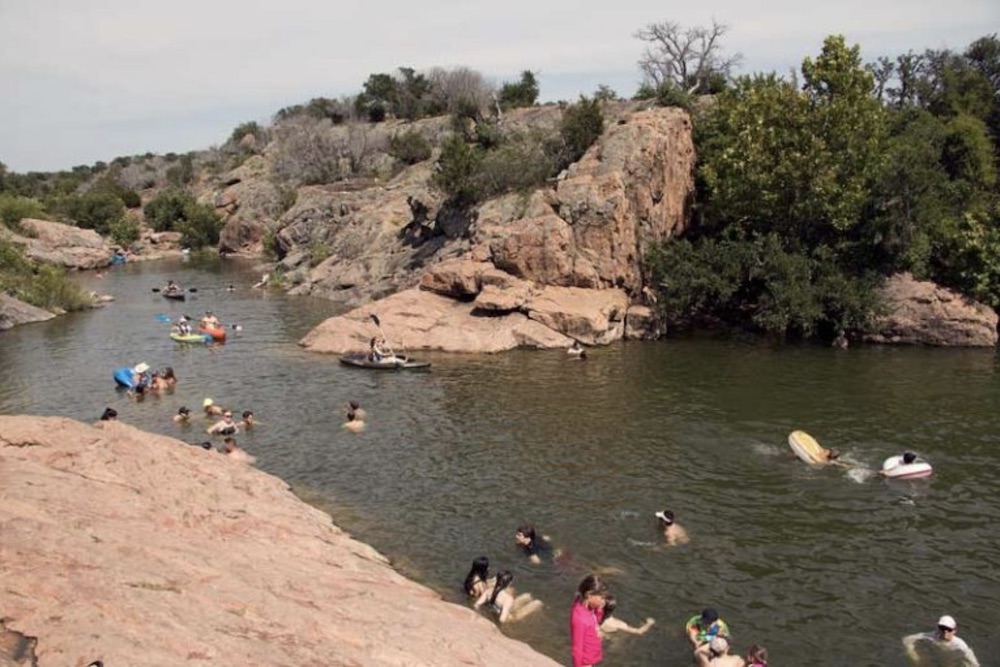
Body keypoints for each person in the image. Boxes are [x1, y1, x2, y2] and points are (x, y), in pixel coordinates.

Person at [902, 614, 979, 666]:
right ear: (937, 628)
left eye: (948, 629)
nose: (945, 632)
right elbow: (907, 639)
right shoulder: (932, 636)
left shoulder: (959, 645)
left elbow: (974, 663)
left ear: (954, 630)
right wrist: (913, 655)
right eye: (942, 628)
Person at [474, 570, 541, 624]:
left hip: (501, 608)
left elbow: (476, 605)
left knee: (527, 596)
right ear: (509, 583)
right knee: (538, 603)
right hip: (512, 617)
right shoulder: (507, 599)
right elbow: (502, 619)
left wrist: (483, 614)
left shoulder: (489, 591)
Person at [570, 574, 608, 667]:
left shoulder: (589, 608)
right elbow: (577, 648)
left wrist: (599, 610)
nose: (604, 601)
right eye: (601, 597)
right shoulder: (580, 619)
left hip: (591, 656)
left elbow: (596, 621)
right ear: (589, 595)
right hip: (584, 663)